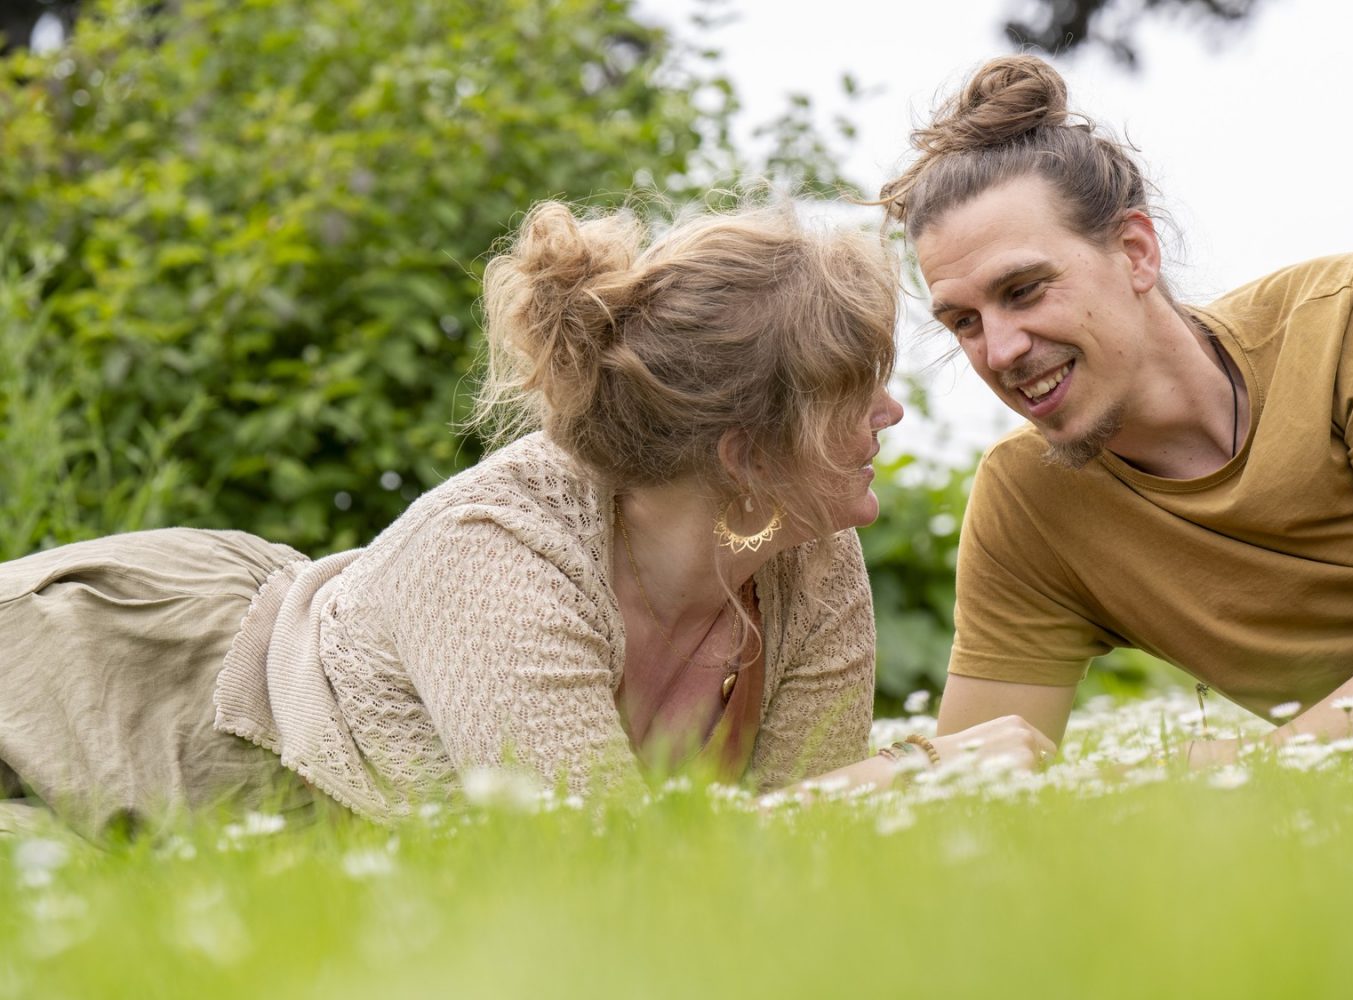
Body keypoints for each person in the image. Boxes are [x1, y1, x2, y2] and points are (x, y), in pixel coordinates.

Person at [0, 199, 1052, 838]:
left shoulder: (810, 550)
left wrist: (893, 801)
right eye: (852, 393)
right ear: (742, 450)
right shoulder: (493, 555)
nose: (892, 411)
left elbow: (787, 861)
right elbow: (601, 866)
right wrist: (921, 772)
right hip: (136, 678)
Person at [876, 55, 1353, 764]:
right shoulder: (1030, 505)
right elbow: (974, 770)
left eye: (1026, 290)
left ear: (1135, 252)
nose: (999, 351)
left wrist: (1244, 775)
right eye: (963, 322)